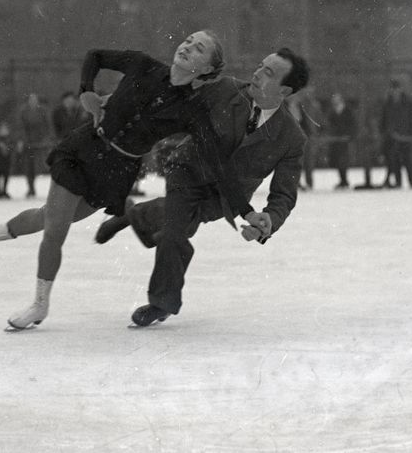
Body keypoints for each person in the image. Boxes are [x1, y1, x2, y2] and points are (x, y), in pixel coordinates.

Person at [0, 31, 261, 330]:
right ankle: (40, 305)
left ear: (207, 69)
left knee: (46, 217)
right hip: (85, 148)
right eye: (187, 41)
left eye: (198, 49)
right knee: (56, 229)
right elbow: (96, 56)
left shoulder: (193, 109)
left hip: (117, 171)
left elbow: (219, 164)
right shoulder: (143, 64)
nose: (187, 47)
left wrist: (246, 211)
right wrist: (86, 91)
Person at [96, 47, 310, 327]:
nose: (257, 74)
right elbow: (175, 100)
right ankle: (162, 303)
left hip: (223, 199)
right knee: (175, 231)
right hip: (187, 171)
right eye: (260, 66)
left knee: (178, 224)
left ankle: (133, 215)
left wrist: (270, 219)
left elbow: (284, 194)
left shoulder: (292, 138)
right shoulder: (225, 89)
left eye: (269, 73)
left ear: (284, 91)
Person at [380, 80, 412, 189]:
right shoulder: (388, 103)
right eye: (393, 89)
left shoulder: (408, 102)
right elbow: (383, 119)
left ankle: (411, 181)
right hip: (392, 136)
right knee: (395, 160)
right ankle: (398, 182)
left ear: (400, 89)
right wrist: (384, 131)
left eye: (396, 89)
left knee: (407, 160)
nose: (395, 91)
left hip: (405, 136)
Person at [17, 93, 50, 199]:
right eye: (31, 100)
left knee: (41, 165)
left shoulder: (43, 111)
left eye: (35, 99)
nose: (33, 101)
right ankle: (31, 188)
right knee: (29, 167)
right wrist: (22, 140)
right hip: (28, 143)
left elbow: (47, 126)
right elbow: (21, 127)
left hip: (40, 143)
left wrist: (45, 139)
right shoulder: (23, 112)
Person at [324, 92, 357, 189]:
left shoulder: (348, 111)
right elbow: (330, 125)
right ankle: (342, 180)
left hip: (346, 140)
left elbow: (352, 125)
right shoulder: (332, 112)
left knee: (344, 161)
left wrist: (349, 136)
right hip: (336, 140)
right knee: (337, 160)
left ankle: (345, 180)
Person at [0, 121, 14, 199]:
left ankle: (4, 190)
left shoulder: (10, 139)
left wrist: (6, 148)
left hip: (6, 161)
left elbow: (12, 150)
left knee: (6, 176)